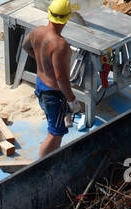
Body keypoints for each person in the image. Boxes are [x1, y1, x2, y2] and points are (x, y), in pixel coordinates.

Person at [22, 0, 84, 159]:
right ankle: (42, 166)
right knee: (55, 134)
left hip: (41, 86)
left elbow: (25, 46)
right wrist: (72, 100)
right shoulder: (61, 46)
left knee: (57, 129)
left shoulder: (37, 32)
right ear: (68, 17)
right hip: (53, 95)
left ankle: (51, 159)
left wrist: (42, 61)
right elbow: (61, 79)